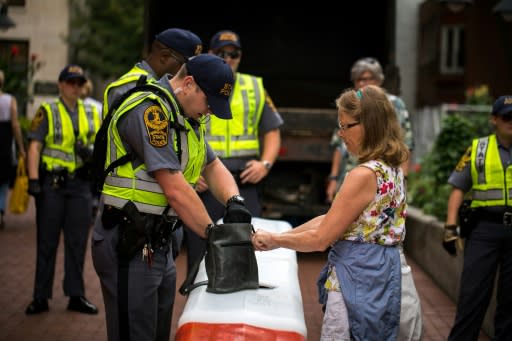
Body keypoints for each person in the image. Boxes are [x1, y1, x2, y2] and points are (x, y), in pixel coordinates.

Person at [91, 54, 252, 341]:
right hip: (130, 241)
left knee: (156, 332)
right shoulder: (150, 112)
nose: (210, 113)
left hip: (157, 243)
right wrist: (214, 234)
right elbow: (175, 188)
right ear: (188, 84)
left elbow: (212, 165)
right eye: (209, 103)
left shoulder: (187, 117)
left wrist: (234, 201)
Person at [253, 85, 409, 340]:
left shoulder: (362, 174)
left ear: (368, 125)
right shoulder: (392, 169)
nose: (341, 133)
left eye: (346, 126)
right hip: (382, 273)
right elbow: (334, 219)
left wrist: (276, 241)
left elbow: (321, 238)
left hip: (356, 276)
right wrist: (283, 234)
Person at [326, 57, 423, 340]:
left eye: (369, 78)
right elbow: (338, 145)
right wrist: (334, 179)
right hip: (366, 182)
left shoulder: (391, 108)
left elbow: (405, 143)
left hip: (370, 186)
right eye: (359, 79)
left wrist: (395, 185)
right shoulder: (352, 114)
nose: (364, 83)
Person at [183, 29, 283, 275]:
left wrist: (265, 164)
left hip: (243, 181)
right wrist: (189, 175)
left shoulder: (254, 87)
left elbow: (272, 130)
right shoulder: (193, 85)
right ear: (209, 53)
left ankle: (242, 306)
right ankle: (197, 309)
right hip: (204, 182)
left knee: (246, 247)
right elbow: (180, 134)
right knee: (200, 252)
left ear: (240, 56)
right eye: (220, 53)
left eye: (234, 54)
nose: (228, 58)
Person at [102, 27, 202, 260]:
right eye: (186, 65)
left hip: (163, 213)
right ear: (165, 56)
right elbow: (155, 151)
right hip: (134, 214)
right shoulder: (133, 89)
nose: (190, 75)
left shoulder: (166, 91)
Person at [25, 64, 101, 315]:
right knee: (47, 242)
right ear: (60, 84)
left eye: (79, 83)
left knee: (77, 243)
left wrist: (90, 154)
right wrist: (34, 180)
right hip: (53, 186)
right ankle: (40, 296)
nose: (75, 87)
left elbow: (100, 146)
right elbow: (34, 146)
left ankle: (76, 295)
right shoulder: (47, 110)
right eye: (70, 82)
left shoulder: (92, 111)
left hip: (80, 185)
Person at [442, 95, 512, 341]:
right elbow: (458, 188)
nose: (510, 121)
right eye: (506, 117)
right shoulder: (478, 148)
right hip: (483, 232)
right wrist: (451, 227)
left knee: (510, 302)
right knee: (472, 296)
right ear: (494, 119)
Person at [102, 27, 202, 116]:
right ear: (164, 56)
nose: (189, 72)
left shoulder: (168, 88)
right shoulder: (130, 88)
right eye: (186, 65)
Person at [0, 70, 26, 228]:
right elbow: (15, 124)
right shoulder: (10, 100)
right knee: (3, 179)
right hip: (4, 141)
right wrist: (21, 146)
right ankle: (0, 210)